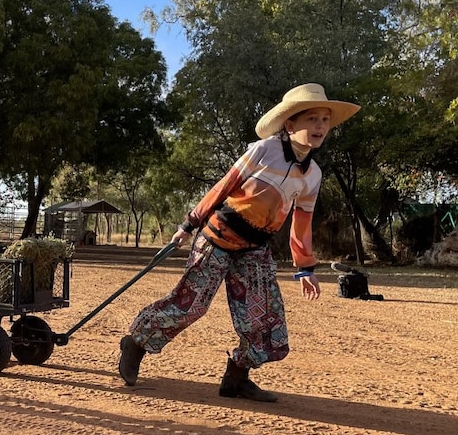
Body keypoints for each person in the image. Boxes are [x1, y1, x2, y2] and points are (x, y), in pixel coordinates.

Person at [118, 83, 360, 402]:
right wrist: (189, 224)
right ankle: (136, 342)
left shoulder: (313, 175)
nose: (320, 126)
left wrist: (305, 268)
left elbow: (302, 223)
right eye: (312, 118)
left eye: (325, 120)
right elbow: (223, 187)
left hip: (255, 249)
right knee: (191, 306)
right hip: (218, 237)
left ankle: (236, 378)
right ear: (290, 124)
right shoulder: (264, 150)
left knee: (264, 317)